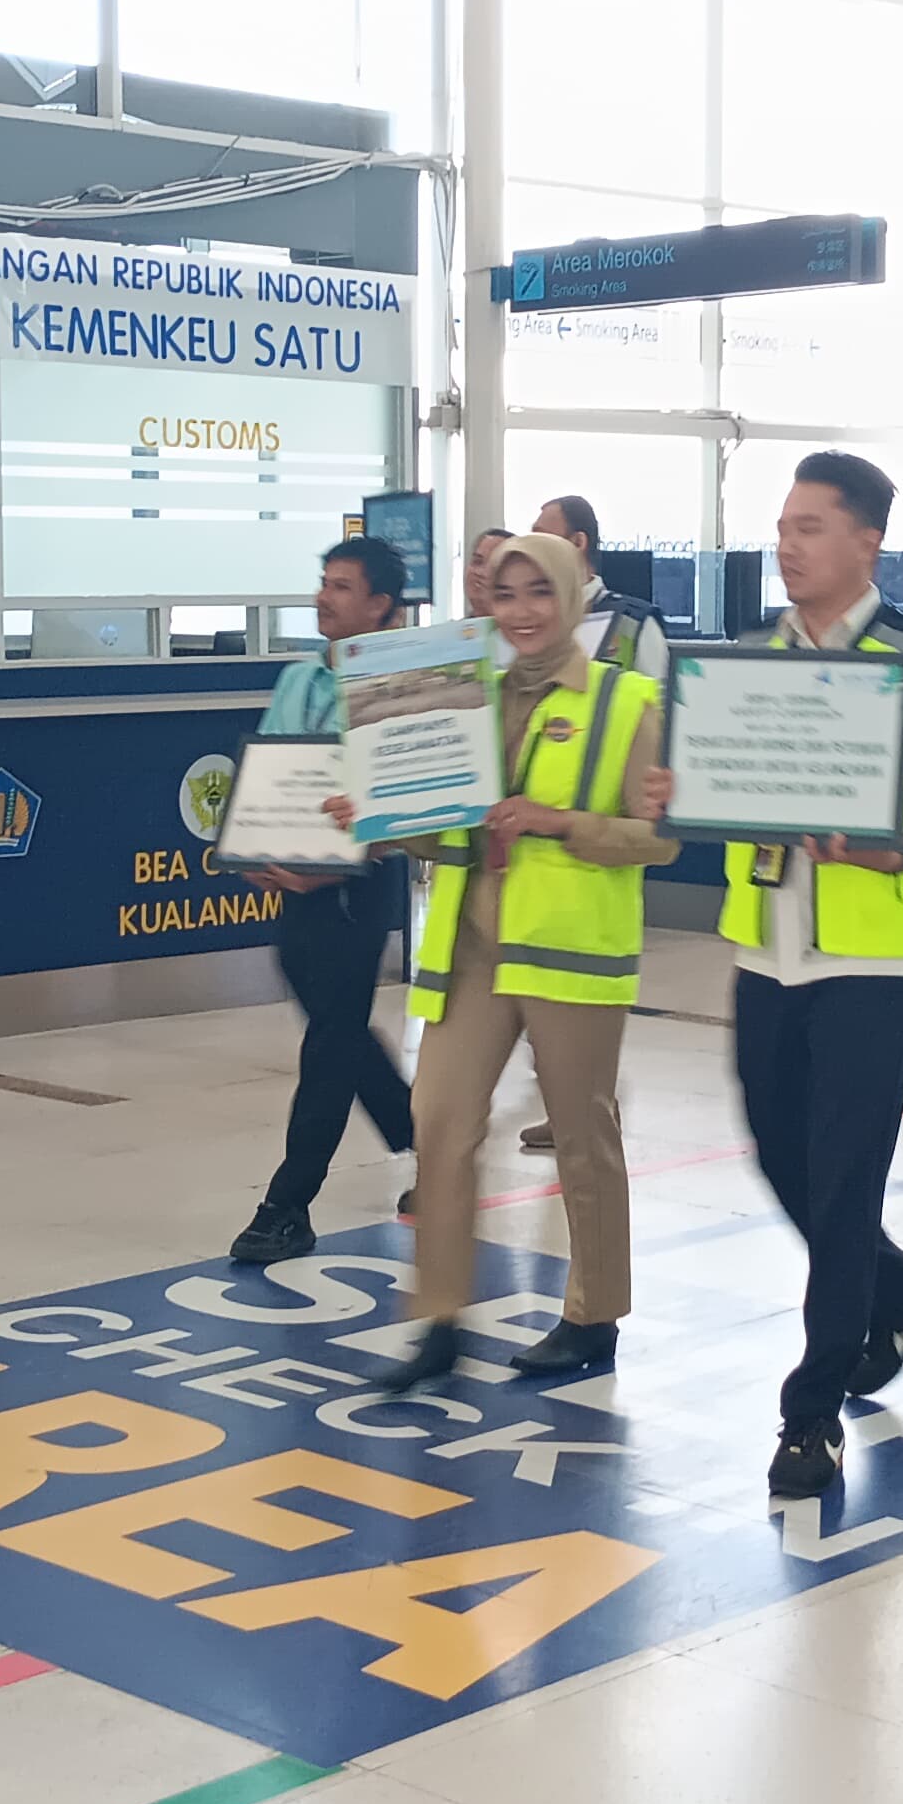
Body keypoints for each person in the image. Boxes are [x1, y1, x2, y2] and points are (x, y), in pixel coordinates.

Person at [633, 451, 903, 1499]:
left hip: (870, 960)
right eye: (782, 526)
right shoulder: (749, 660)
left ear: (865, 542)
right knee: (779, 1155)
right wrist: (681, 786)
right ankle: (894, 1287)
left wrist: (899, 848)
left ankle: (812, 1412)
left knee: (844, 1184)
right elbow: (713, 792)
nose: (787, 545)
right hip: (767, 952)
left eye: (809, 527)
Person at [344, 532, 672, 1393]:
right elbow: (439, 825)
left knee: (580, 1136)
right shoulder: (464, 702)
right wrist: (373, 815)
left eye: (540, 593)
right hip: (474, 947)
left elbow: (658, 839)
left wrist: (560, 821)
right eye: (506, 594)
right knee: (440, 1127)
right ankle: (440, 1316)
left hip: (570, 951)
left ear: (571, 600)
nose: (522, 612)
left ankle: (593, 1313)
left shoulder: (625, 701)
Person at [227, 537, 421, 1264]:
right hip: (295, 883)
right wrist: (257, 850)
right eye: (323, 582)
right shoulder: (299, 678)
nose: (324, 597)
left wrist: (334, 867)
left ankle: (288, 1203)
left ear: (381, 605)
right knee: (336, 1028)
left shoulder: (403, 688)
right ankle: (428, 1137)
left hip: (357, 889)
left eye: (342, 587)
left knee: (330, 1045)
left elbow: (406, 798)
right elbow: (273, 770)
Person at [532, 493, 672, 681]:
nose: (531, 549)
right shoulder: (529, 620)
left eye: (541, 538)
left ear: (577, 543)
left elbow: (662, 704)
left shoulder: (632, 623)